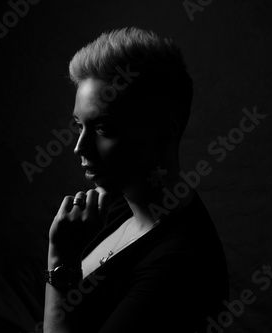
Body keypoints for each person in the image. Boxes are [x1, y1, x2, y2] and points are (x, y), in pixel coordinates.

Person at [43, 27, 229, 332]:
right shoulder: (118, 203)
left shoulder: (180, 270)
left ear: (164, 135)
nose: (79, 147)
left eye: (104, 128)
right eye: (79, 125)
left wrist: (60, 263)